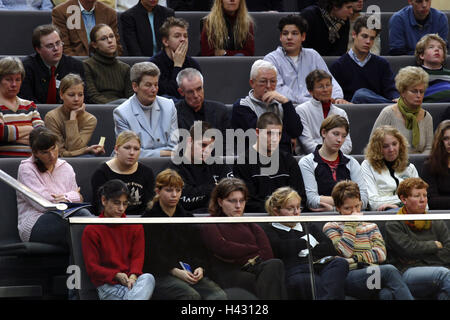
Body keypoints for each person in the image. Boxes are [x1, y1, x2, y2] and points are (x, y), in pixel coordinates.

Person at [141, 169, 227, 300]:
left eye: (178, 190)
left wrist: (200, 268)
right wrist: (174, 270)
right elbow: (151, 256)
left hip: (188, 271)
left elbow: (199, 248)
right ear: (158, 191)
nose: (174, 195)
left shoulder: (187, 217)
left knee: (218, 296)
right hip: (160, 273)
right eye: (169, 190)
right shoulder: (148, 218)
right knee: (190, 296)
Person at [323, 180, 414, 300]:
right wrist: (351, 224)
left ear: (361, 203)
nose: (354, 212)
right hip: (348, 276)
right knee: (389, 270)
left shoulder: (371, 226)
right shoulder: (331, 226)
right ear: (338, 208)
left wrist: (355, 259)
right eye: (348, 209)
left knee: (386, 294)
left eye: (357, 206)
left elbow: (381, 254)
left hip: (372, 275)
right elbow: (345, 252)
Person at [201, 177, 287, 299]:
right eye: (232, 201)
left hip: (254, 269)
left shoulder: (250, 224)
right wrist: (253, 249)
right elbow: (223, 248)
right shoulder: (210, 222)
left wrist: (240, 253)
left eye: (242, 201)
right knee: (259, 278)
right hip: (226, 273)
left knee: (275, 264)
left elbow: (267, 254)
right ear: (220, 202)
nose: (238, 206)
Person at [262, 187, 349, 300]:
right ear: (276, 211)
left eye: (298, 207)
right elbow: (280, 249)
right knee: (314, 281)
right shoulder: (269, 229)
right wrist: (307, 242)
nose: (296, 212)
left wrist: (301, 246)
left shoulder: (308, 226)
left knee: (340, 263)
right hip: (295, 270)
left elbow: (329, 248)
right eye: (290, 208)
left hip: (317, 265)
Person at [17, 127, 92, 247]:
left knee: (81, 227)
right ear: (35, 153)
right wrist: (72, 197)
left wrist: (66, 198)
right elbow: (43, 204)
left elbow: (79, 200)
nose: (52, 156)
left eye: (53, 149)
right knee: (82, 220)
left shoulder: (66, 167)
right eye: (45, 152)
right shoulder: (26, 168)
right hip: (34, 224)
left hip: (65, 218)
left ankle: (79, 266)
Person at [82, 179, 155, 300]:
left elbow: (137, 257)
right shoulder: (92, 229)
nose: (121, 208)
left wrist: (132, 277)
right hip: (107, 285)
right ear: (104, 200)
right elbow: (92, 267)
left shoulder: (135, 226)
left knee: (148, 278)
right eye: (116, 203)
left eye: (125, 203)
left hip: (132, 284)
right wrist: (115, 275)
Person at [385, 177, 450, 300]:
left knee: (443, 293)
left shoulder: (436, 221)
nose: (422, 200)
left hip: (438, 268)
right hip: (408, 272)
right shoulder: (394, 223)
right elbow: (408, 250)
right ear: (404, 199)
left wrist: (420, 256)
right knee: (444, 274)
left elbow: (448, 250)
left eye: (425, 195)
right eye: (417, 196)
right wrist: (435, 245)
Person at [263, 14, 346, 106]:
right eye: (285, 33)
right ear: (280, 37)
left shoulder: (313, 55)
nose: (289, 37)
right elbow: (278, 90)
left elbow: (330, 81)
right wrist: (311, 102)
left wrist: (337, 98)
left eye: (294, 33)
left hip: (315, 108)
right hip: (287, 108)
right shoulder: (271, 59)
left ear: (303, 37)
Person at [233, 112, 307, 212]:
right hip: (258, 219)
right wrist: (278, 210)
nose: (274, 139)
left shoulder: (288, 160)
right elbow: (247, 201)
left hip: (288, 217)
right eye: (269, 133)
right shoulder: (243, 162)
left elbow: (300, 196)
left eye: (278, 134)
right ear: (258, 132)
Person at [231, 59, 303, 154]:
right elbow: (261, 137)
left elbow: (296, 131)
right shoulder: (242, 106)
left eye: (273, 81)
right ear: (252, 83)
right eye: (263, 81)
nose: (269, 86)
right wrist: (287, 138)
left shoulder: (282, 104)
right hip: (254, 159)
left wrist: (286, 102)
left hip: (283, 158)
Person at [299, 114, 368, 211]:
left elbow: (364, 200)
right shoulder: (307, 162)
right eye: (336, 134)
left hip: (351, 218)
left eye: (343, 136)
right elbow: (312, 200)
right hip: (320, 220)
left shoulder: (351, 162)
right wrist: (350, 204)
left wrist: (333, 208)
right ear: (324, 133)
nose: (340, 140)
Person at [113, 62, 178, 157]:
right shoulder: (122, 113)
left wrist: (146, 152)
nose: (154, 90)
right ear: (135, 86)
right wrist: (163, 153)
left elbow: (174, 147)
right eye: (148, 85)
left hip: (166, 165)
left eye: (156, 85)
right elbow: (129, 153)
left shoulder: (168, 106)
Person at [330, 15, 399, 104]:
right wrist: (339, 100)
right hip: (350, 111)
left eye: (372, 38)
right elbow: (334, 94)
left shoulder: (382, 64)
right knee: (360, 95)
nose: (368, 41)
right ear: (354, 35)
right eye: (364, 36)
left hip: (376, 110)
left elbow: (390, 89)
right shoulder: (338, 66)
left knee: (362, 95)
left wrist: (396, 97)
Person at [170, 121, 233, 213]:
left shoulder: (219, 164)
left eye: (211, 146)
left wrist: (199, 192)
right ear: (190, 141)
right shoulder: (176, 167)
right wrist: (213, 188)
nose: (207, 151)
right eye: (203, 145)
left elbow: (231, 194)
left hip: (218, 217)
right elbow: (184, 201)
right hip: (189, 220)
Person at [371, 66, 434, 154]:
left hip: (419, 165)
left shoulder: (427, 117)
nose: (419, 95)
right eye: (414, 91)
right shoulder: (388, 113)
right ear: (402, 92)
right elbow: (374, 146)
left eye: (421, 91)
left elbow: (429, 149)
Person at [91, 130, 155, 215]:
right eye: (127, 148)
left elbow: (150, 205)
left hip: (140, 221)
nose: (132, 153)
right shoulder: (101, 173)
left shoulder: (147, 172)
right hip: (111, 221)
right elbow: (99, 207)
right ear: (116, 149)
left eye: (136, 149)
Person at [19, 24, 86, 105]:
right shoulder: (26, 67)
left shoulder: (75, 66)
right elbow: (26, 100)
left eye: (58, 43)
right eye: (50, 46)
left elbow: (83, 97)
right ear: (38, 49)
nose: (56, 49)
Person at [44, 73, 105, 157]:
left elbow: (74, 149)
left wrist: (73, 117)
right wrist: (86, 150)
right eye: (71, 95)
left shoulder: (90, 119)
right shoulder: (51, 117)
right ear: (61, 95)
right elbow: (59, 153)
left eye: (80, 95)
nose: (76, 99)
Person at [362, 125, 420, 211]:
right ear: (377, 148)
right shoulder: (367, 165)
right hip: (383, 214)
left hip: (410, 213)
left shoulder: (410, 167)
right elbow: (372, 202)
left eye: (394, 144)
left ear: (400, 144)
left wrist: (400, 204)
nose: (391, 149)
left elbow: (421, 200)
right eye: (385, 146)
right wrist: (407, 199)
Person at [295, 69, 352, 155]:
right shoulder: (301, 110)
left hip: (337, 159)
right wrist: (326, 156)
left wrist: (333, 157)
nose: (326, 89)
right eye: (320, 86)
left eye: (328, 85)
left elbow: (347, 145)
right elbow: (307, 144)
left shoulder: (341, 113)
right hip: (310, 159)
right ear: (311, 91)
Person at [0, 57, 44, 157]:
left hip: (31, 164)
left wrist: (9, 139)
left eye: (18, 80)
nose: (14, 84)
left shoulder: (29, 106)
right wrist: (29, 129)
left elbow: (40, 134)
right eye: (8, 79)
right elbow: (1, 133)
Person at [150, 17, 202, 100]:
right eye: (177, 36)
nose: (183, 39)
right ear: (166, 42)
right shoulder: (153, 65)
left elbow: (198, 94)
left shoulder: (193, 64)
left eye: (185, 36)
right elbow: (168, 95)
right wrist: (177, 66)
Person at [83, 24, 133, 104]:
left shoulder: (125, 68)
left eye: (112, 36)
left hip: (123, 111)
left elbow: (131, 97)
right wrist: (113, 107)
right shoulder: (87, 66)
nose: (110, 41)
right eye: (103, 39)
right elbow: (92, 96)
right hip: (99, 110)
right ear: (94, 45)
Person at [52, 0, 122, 56]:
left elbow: (116, 46)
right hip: (77, 65)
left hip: (105, 64)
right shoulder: (61, 12)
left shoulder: (109, 13)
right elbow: (64, 48)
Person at [175, 68, 231, 136]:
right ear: (181, 92)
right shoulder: (174, 114)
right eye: (190, 92)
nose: (196, 95)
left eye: (199, 89)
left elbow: (229, 143)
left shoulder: (220, 111)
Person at [421, 120, 450, 209]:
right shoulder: (430, 165)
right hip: (440, 215)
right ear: (439, 141)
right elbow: (431, 201)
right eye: (446, 138)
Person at [415, 33, 450, 103]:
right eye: (431, 47)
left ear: (443, 57)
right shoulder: (415, 74)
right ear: (422, 55)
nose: (437, 49)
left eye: (440, 48)